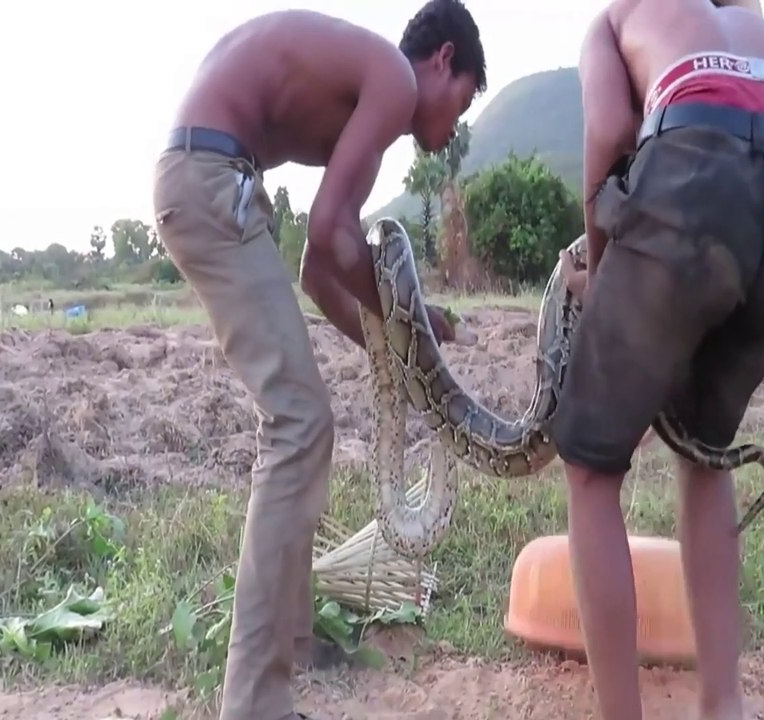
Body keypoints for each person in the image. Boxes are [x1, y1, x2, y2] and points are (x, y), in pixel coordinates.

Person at [150, 3, 486, 719]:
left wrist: (394, 355)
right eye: (462, 102)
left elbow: (317, 268)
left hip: (209, 175)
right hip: (211, 179)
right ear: (443, 60)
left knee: (304, 424)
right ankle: (254, 705)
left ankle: (296, 647)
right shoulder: (393, 79)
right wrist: (414, 324)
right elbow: (334, 233)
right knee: (298, 425)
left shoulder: (371, 102)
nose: (454, 127)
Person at [552, 1, 764, 719]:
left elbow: (610, 131)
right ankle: (725, 705)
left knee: (591, 470)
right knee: (705, 449)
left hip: (700, 168)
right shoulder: (746, 18)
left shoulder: (616, 17)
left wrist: (602, 274)